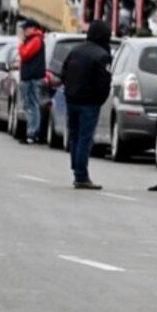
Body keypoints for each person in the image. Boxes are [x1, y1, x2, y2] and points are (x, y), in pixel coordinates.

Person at [60, 20, 112, 189]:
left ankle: (76, 168)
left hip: (72, 100)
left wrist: (69, 92)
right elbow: (104, 83)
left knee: (75, 137)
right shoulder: (102, 55)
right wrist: (99, 100)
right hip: (89, 104)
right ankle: (81, 175)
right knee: (85, 138)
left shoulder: (75, 50)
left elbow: (63, 73)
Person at [17, 20, 46, 145]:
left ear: (32, 28)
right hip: (30, 77)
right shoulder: (34, 40)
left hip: (32, 78)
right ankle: (32, 132)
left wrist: (21, 44)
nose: (24, 31)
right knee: (30, 105)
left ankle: (32, 133)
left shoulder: (36, 40)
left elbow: (25, 54)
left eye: (26, 29)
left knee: (32, 105)